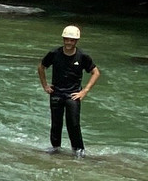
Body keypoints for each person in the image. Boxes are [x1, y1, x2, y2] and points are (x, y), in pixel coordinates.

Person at [38, 25, 101, 157]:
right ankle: (55, 148)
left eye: (71, 40)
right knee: (56, 123)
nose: (68, 42)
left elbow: (95, 73)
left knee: (73, 124)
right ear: (63, 39)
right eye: (66, 39)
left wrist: (84, 91)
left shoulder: (82, 56)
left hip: (73, 95)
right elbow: (41, 67)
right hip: (56, 93)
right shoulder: (54, 53)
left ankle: (78, 150)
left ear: (76, 41)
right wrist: (45, 86)